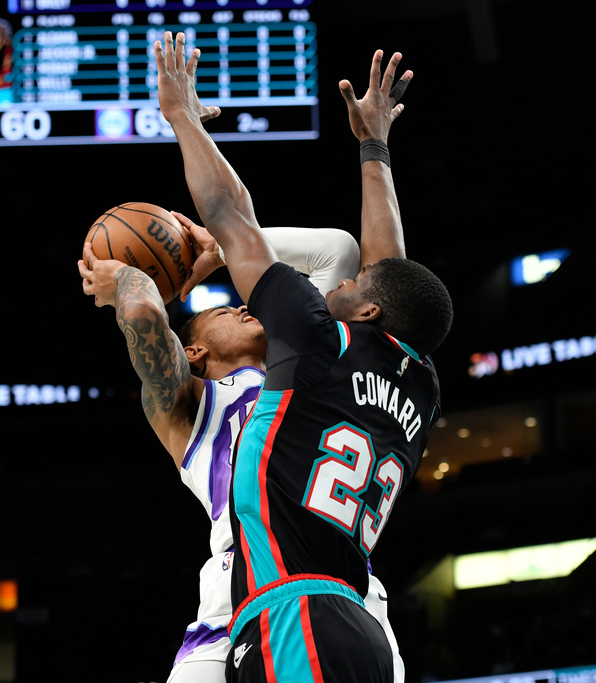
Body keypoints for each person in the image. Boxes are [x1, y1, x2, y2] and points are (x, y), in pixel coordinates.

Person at [154, 31, 452, 682]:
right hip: (352, 617)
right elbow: (387, 269)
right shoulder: (418, 382)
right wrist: (373, 148)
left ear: (369, 312)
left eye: (349, 290)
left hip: (300, 613)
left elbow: (231, 211)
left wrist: (180, 113)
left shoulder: (318, 340)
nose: (338, 286)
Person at [79, 221, 404, 682]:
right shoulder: (190, 404)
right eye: (223, 312)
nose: (241, 305)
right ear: (193, 352)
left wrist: (222, 249)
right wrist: (133, 279)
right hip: (234, 597)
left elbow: (337, 250)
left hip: (343, 582)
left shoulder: (307, 365)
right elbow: (144, 319)